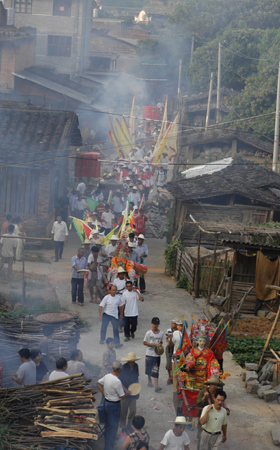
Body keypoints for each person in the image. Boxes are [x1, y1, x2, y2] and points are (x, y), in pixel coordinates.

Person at [97, 361, 125, 450]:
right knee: (113, 427)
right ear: (120, 370)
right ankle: (109, 447)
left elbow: (98, 383)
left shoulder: (107, 376)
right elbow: (122, 396)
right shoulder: (117, 381)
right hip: (114, 406)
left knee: (108, 425)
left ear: (112, 368)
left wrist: (104, 394)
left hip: (106, 403)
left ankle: (108, 445)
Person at [196, 376, 225, 450]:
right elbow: (198, 404)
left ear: (217, 386)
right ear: (209, 385)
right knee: (201, 436)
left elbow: (221, 403)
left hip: (214, 416)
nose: (213, 386)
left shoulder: (218, 394)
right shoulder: (203, 392)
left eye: (215, 385)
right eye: (212, 384)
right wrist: (203, 398)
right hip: (204, 414)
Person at [119, 353, 141, 432]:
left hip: (133, 392)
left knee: (133, 410)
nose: (133, 363)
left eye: (133, 361)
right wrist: (125, 390)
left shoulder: (136, 366)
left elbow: (136, 379)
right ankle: (123, 427)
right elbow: (119, 381)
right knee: (123, 411)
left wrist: (137, 390)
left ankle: (129, 425)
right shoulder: (123, 368)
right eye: (131, 361)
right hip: (124, 393)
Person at [143, 317, 164, 392]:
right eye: (154, 324)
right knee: (149, 368)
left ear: (158, 324)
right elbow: (144, 342)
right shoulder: (148, 333)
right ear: (152, 324)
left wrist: (160, 346)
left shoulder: (161, 333)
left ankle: (156, 385)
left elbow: (161, 342)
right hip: (149, 353)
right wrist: (152, 344)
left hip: (157, 354)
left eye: (156, 324)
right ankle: (149, 380)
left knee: (156, 369)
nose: (155, 325)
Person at [165, 319, 178, 385]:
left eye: (173, 323)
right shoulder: (168, 330)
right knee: (168, 361)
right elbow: (166, 337)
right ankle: (170, 377)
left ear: (176, 324)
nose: (172, 324)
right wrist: (167, 342)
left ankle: (174, 376)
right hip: (170, 347)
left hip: (175, 347)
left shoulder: (178, 331)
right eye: (171, 323)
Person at [172, 319, 183, 391]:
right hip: (175, 356)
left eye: (180, 325)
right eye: (178, 325)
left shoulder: (188, 334)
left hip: (183, 358)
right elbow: (172, 343)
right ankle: (175, 391)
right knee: (175, 375)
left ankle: (181, 389)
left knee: (182, 375)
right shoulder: (175, 333)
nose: (178, 327)